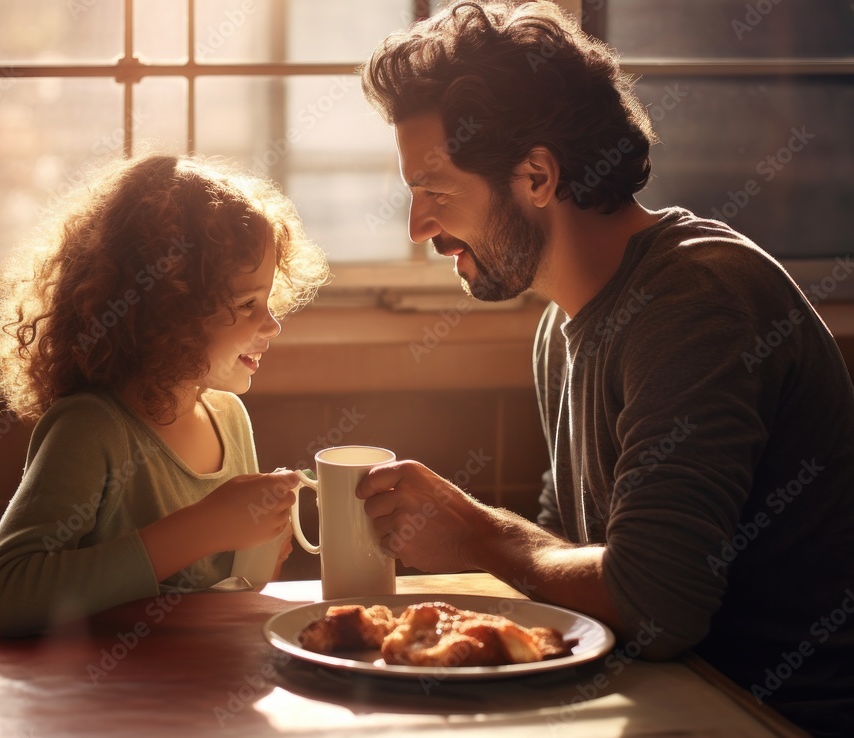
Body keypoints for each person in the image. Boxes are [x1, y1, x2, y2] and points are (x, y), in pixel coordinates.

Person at [355, 2, 854, 734]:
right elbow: (571, 565)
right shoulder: (561, 324)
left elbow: (657, 605)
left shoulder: (696, 303)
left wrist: (474, 533)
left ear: (537, 176)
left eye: (435, 190)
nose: (419, 225)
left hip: (772, 716)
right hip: (663, 702)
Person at [0, 154, 330, 637]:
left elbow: (213, 596)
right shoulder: (91, 428)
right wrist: (204, 528)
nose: (272, 324)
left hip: (199, 694)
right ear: (169, 311)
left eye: (268, 301)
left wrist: (258, 556)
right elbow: (10, 592)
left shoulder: (229, 418)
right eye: (247, 304)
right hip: (102, 699)